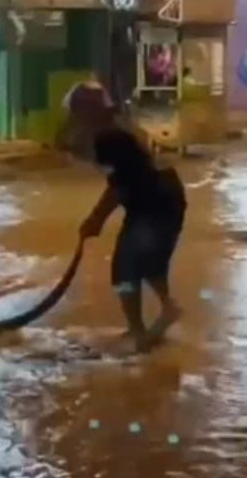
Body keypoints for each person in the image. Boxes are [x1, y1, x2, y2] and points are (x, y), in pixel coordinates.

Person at [77, 106, 187, 353]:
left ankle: (138, 331)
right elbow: (114, 195)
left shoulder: (126, 176)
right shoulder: (141, 163)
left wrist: (92, 223)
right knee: (151, 262)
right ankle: (166, 307)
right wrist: (93, 221)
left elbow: (110, 201)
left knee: (124, 271)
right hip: (168, 208)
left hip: (153, 213)